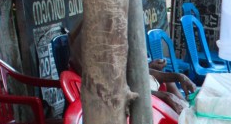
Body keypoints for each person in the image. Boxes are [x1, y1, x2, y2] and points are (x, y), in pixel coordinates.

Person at [67, 19, 195, 114]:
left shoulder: (111, 29)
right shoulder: (95, 39)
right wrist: (165, 96)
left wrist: (179, 76)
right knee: (167, 97)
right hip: (105, 102)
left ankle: (187, 114)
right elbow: (113, 88)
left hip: (119, 87)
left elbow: (130, 72)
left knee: (169, 83)